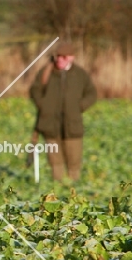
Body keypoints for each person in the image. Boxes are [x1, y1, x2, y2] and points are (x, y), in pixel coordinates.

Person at [29, 41, 97, 182]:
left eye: (64, 57)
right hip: (50, 125)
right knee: (55, 163)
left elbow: (92, 94)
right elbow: (34, 90)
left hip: (72, 126)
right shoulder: (46, 72)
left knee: (74, 163)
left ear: (72, 57)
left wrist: (79, 107)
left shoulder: (80, 74)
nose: (60, 60)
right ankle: (57, 192)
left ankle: (73, 194)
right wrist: (43, 105)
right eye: (58, 56)